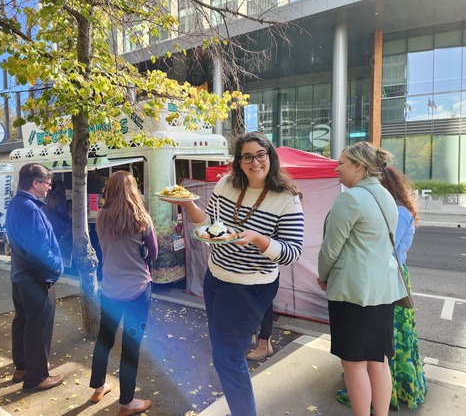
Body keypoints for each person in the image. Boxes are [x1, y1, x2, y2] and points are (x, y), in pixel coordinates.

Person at [163, 131, 304, 416]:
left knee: (227, 358)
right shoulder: (227, 184)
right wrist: (189, 204)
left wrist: (258, 238)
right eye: (247, 156)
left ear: (270, 157)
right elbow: (211, 224)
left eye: (260, 154)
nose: (255, 162)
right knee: (222, 351)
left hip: (250, 287)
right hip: (216, 278)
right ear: (239, 162)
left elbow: (292, 252)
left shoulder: (286, 198)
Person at [318, 142, 408, 416]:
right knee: (378, 361)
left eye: (342, 163)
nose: (337, 168)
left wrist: (323, 276)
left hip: (352, 292)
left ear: (359, 166)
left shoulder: (351, 198)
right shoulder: (386, 198)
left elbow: (331, 248)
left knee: (353, 364)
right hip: (383, 290)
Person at [336, 166, 428, 410]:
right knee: (387, 345)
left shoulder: (393, 210)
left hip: (382, 277)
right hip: (392, 275)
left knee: (381, 349)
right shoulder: (399, 207)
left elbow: (381, 249)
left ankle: (385, 395)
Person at [88, 170, 157, 416]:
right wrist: (139, 255)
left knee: (104, 340)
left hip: (109, 289)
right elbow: (153, 253)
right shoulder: (142, 219)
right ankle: (127, 402)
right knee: (131, 346)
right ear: (133, 190)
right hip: (138, 290)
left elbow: (102, 246)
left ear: (110, 191)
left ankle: (98, 388)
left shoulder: (101, 217)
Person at [6, 163, 64, 392]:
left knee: (23, 322)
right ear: (35, 183)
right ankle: (37, 377)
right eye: (47, 183)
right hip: (37, 278)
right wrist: (58, 268)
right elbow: (38, 250)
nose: (49, 188)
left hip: (21, 276)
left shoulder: (16, 203)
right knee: (38, 327)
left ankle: (22, 368)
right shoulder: (30, 209)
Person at [42, 179, 72, 258]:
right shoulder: (60, 198)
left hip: (49, 227)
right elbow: (63, 213)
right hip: (59, 228)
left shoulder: (48, 197)